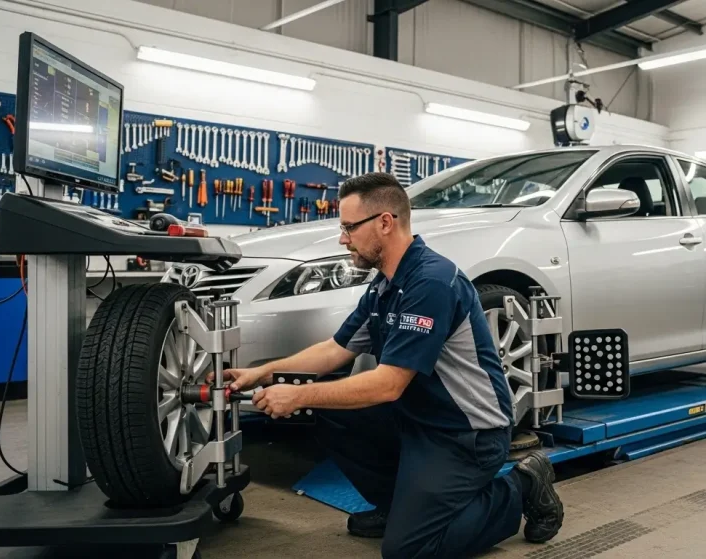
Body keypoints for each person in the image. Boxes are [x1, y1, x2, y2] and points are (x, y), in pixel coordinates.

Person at [216, 172, 564, 558]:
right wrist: (262, 373)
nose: (342, 238)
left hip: (466, 435)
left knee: (408, 550)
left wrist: (297, 394)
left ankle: (521, 487)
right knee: (330, 413)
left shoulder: (431, 283)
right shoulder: (385, 285)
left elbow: (388, 385)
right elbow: (334, 350)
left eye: (349, 227)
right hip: (418, 419)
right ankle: (398, 506)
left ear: (385, 222)